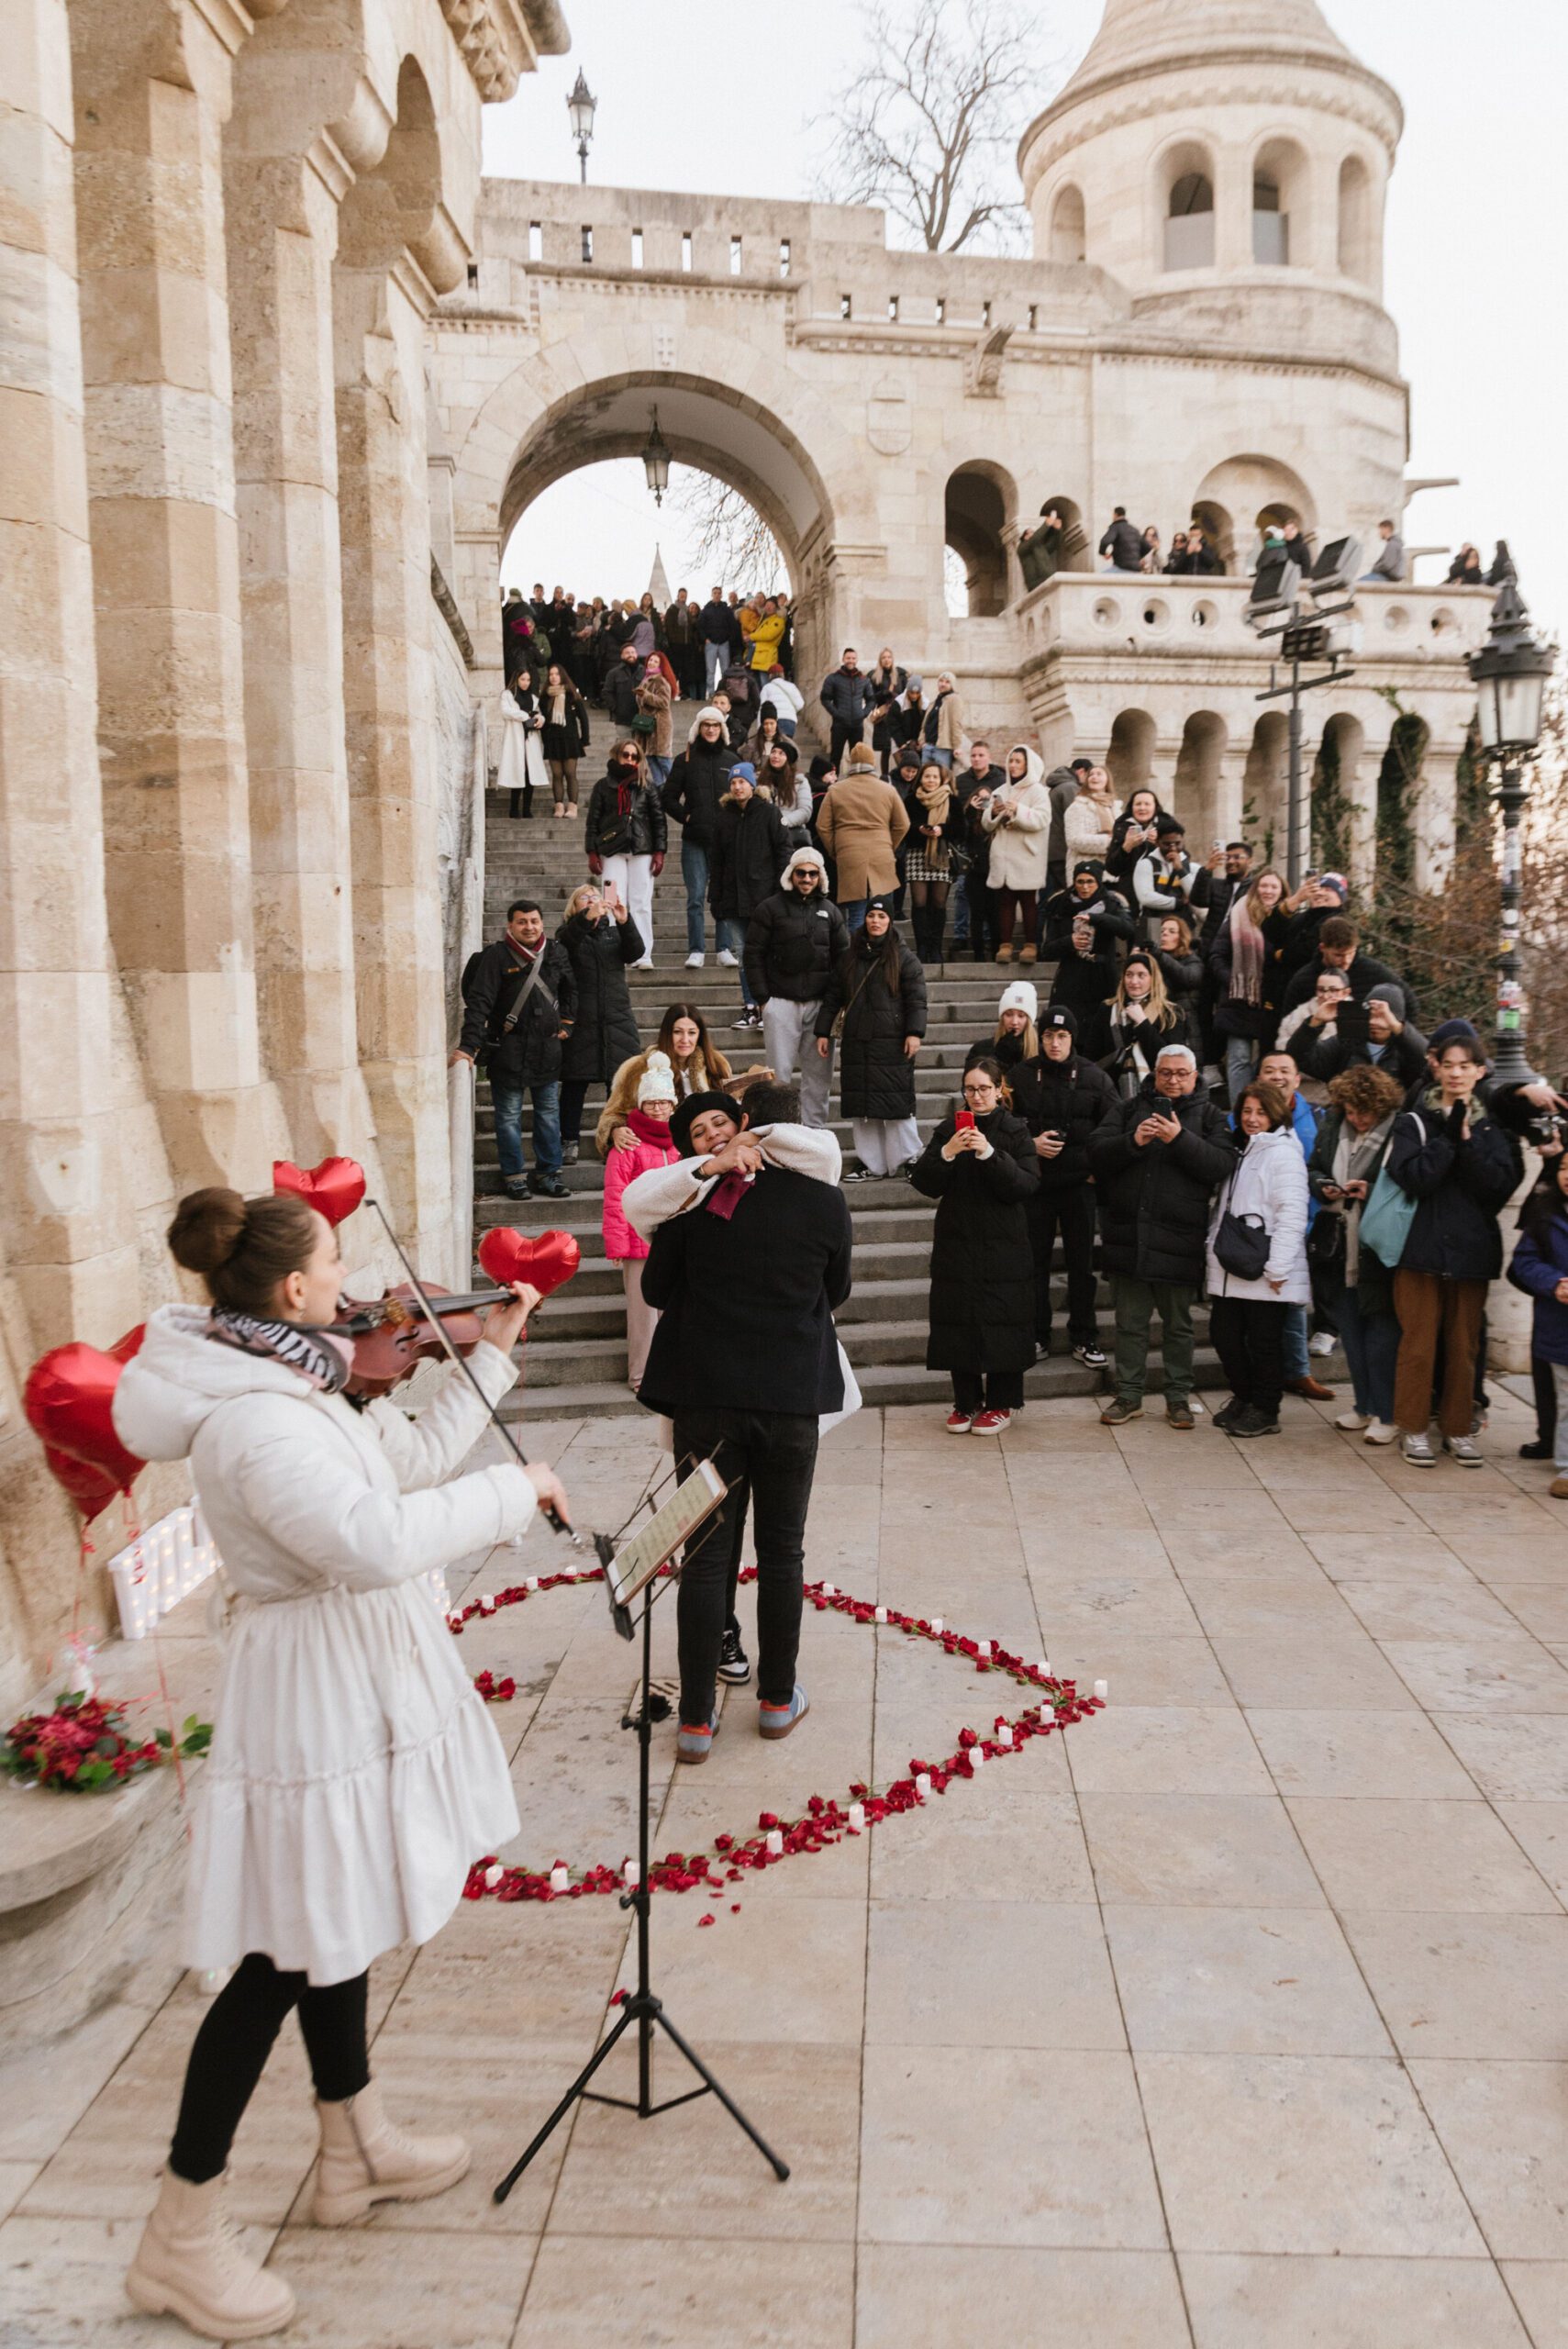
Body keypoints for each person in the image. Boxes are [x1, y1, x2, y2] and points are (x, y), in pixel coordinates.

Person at [116, 1188, 563, 2342]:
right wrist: (515, 1490)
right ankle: (179, 2232)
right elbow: (371, 1542)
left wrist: (492, 1363)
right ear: (294, 1289)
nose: (354, 1274)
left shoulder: (301, 1373)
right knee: (279, 1943)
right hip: (308, 1684)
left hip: (350, 1666)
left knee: (340, 1907)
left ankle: (351, 2143)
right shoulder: (258, 1419)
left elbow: (404, 1467)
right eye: (334, 1259)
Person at [639, 1082, 854, 1760]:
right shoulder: (823, 1200)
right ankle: (774, 1700)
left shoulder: (691, 1206)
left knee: (704, 1560)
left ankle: (697, 1720)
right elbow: (837, 1289)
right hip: (789, 1397)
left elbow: (653, 1291)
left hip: (707, 1400)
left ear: (744, 1127)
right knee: (782, 1552)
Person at [1386, 1031, 1522, 1466]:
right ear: (1436, 1068)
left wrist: (1468, 1139)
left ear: (1480, 1072)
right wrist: (1447, 1135)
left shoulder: (1493, 1126)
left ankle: (1459, 1429)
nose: (1458, 1073)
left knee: (1463, 1348)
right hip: (1419, 1251)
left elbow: (1497, 1186)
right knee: (1418, 1345)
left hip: (1471, 1252)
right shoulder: (1414, 1122)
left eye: (1467, 1066)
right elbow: (1415, 1178)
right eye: (1450, 1065)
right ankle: (1412, 1428)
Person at [1090, 1042, 1237, 1429]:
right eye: (1165, 1073)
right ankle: (1129, 1395)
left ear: (1194, 1076)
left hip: (1180, 1239)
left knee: (1179, 1326)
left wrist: (1179, 1138)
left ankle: (1178, 1398)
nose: (1172, 1080)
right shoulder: (1126, 1109)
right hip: (1129, 1235)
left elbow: (1221, 1164)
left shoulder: (1210, 1116)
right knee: (1130, 1324)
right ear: (1153, 1074)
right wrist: (1133, 1142)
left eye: (1181, 1074)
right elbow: (1096, 1153)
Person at [910, 1056, 1040, 1433]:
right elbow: (924, 1182)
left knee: (1004, 1317)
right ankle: (965, 1401)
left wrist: (988, 1153)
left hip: (1004, 1242)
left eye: (984, 1088)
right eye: (970, 1089)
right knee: (958, 1317)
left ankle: (1002, 1402)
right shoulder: (948, 1128)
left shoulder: (1015, 1130)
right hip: (957, 1240)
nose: (977, 1096)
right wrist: (948, 1152)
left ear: (1000, 1090)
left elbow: (1026, 1185)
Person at [1012, 1003, 1117, 1365]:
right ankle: (1037, 1334)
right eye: (1048, 1036)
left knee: (1081, 1265)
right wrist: (1030, 1143)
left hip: (1078, 1186)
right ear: (1039, 1038)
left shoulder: (1094, 1077)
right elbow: (1002, 1124)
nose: (1054, 1043)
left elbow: (1114, 1128)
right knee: (1034, 1265)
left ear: (1072, 1037)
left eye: (1062, 1036)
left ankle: (1084, 1335)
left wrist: (1095, 1172)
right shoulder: (1021, 1076)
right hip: (1037, 1186)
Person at [1205, 1081, 1310, 1438]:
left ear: (1275, 1114)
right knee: (1224, 1335)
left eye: (1260, 1112)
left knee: (1264, 1344)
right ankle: (1246, 1396)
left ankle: (1266, 1408)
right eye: (1246, 1111)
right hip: (1232, 1263)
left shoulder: (1283, 1153)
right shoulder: (1244, 1149)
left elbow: (1292, 1213)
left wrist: (1278, 1267)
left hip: (1264, 1266)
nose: (1252, 1118)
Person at [1308, 1063, 1406, 1443]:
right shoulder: (1333, 1125)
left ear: (1380, 1108)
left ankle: (1389, 1412)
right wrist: (1326, 1187)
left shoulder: (1399, 1130)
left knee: (1382, 1337)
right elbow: (1314, 1167)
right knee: (1351, 1330)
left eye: (1363, 1113)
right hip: (1337, 1244)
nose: (1357, 1120)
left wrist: (1372, 1190)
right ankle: (1364, 1406)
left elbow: (1408, 1180)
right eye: (1350, 1111)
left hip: (1377, 1246)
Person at [454, 899, 573, 1200]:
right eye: (522, 922)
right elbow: (478, 1001)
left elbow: (571, 988)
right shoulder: (495, 956)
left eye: (534, 921)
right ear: (510, 925)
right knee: (508, 1117)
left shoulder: (556, 952)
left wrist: (568, 1023)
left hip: (548, 1048)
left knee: (548, 1113)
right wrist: (469, 1045)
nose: (529, 927)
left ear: (542, 923)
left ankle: (549, 1173)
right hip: (508, 1048)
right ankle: (514, 1176)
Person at [815, 894, 926, 1178]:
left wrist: (915, 1032)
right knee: (862, 1106)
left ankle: (910, 1157)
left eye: (882, 916)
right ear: (865, 918)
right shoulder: (850, 955)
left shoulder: (904, 957)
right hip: (857, 1040)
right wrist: (823, 1031)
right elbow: (833, 996)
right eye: (871, 916)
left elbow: (916, 999)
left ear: (890, 920)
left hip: (892, 1039)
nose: (876, 921)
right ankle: (870, 1162)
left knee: (896, 1101)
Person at [743, 845, 847, 1126]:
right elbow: (753, 954)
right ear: (792, 873)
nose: (806, 878)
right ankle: (781, 1130)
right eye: (801, 872)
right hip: (780, 1002)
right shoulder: (769, 909)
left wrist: (834, 1004)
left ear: (820, 876)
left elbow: (844, 961)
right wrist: (764, 999)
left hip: (820, 1007)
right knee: (779, 1075)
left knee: (819, 1076)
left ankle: (814, 1131)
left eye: (813, 873)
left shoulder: (830, 912)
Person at [1254, 1048, 1337, 1403]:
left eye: (1284, 1070)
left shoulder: (1316, 1117)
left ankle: (1299, 1372)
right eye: (1269, 1070)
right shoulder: (1244, 1116)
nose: (1277, 1076)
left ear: (1297, 1078)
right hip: (1256, 1225)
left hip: (1303, 1224)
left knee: (1293, 1301)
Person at [603, 1052, 680, 1390]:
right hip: (637, 1243)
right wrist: (617, 1243)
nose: (658, 1109)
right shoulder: (627, 1144)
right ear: (641, 1104)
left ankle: (672, 1371)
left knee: (674, 1311)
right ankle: (641, 1376)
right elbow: (615, 1196)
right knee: (643, 1315)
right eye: (652, 1103)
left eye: (664, 1102)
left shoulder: (682, 1143)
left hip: (675, 1240)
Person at [554, 880, 644, 1164]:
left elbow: (636, 952)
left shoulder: (614, 935)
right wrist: (586, 920)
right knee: (573, 1085)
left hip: (616, 1018)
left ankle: (614, 1140)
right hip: (582, 1020)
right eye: (585, 898)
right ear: (575, 907)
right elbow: (565, 946)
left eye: (596, 895)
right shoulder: (567, 934)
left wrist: (625, 921)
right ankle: (568, 1141)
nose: (593, 899)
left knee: (619, 1086)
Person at [596, 1002, 747, 1157]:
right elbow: (612, 1114)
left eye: (692, 1032)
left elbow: (729, 1111)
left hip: (708, 1150)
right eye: (677, 1032)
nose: (685, 1039)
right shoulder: (637, 1068)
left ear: (700, 1035)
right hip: (657, 1152)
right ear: (667, 1033)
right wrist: (615, 1130)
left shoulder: (716, 1064)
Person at [1507, 1146, 1568, 1499]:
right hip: (1560, 1325)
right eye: (1563, 1167)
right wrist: (1554, 1282)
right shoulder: (1545, 1216)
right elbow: (1524, 1262)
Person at [1209, 865, 1298, 1102]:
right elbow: (1217, 955)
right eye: (1264, 885)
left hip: (1273, 997)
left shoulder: (1291, 918)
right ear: (1256, 888)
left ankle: (1266, 1110)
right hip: (1239, 998)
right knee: (1239, 1058)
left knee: (1269, 1061)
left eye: (1274, 886)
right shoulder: (1239, 914)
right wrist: (1234, 981)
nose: (1268, 890)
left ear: (1282, 891)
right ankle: (1240, 1111)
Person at [710, 763, 787, 1031]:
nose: (737, 786)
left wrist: (781, 891)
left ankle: (770, 1008)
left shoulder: (768, 813)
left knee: (765, 954)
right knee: (744, 955)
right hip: (733, 901)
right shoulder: (724, 818)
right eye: (733, 783)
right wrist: (716, 899)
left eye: (741, 782)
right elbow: (716, 862)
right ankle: (751, 1007)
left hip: (764, 898)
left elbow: (783, 851)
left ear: (752, 785)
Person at [662, 703, 737, 967]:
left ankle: (724, 948)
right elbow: (668, 797)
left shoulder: (732, 761)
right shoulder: (685, 759)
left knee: (724, 896)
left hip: (726, 842)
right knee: (695, 897)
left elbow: (743, 797)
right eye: (706, 725)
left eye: (715, 725)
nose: (711, 730)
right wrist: (686, 816)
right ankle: (697, 949)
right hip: (694, 839)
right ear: (699, 728)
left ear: (722, 729)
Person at [585, 738, 666, 963]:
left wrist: (659, 852)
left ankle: (643, 953)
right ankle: (614, 951)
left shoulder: (647, 786)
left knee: (641, 902)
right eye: (626, 755)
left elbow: (658, 820)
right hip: (611, 851)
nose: (629, 760)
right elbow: (593, 820)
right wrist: (592, 851)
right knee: (611, 900)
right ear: (617, 756)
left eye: (634, 756)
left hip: (642, 850)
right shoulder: (603, 786)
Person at [816, 741, 910, 932]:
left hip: (849, 856)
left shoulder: (836, 790)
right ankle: (883, 957)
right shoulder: (887, 790)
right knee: (883, 912)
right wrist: (889, 845)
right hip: (882, 855)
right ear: (872, 762)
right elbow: (903, 824)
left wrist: (836, 849)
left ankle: (858, 958)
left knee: (857, 915)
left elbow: (822, 826)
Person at [1084, 950, 1194, 1093]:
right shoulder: (1107, 1009)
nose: (1133, 981)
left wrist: (1142, 1023)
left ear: (1153, 978)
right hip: (1111, 1089)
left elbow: (1170, 1060)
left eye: (1141, 975)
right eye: (1129, 975)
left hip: (1156, 1090)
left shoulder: (1171, 1013)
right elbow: (1092, 1054)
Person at [983, 743, 1051, 963]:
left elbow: (1042, 819)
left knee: (1029, 901)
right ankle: (1005, 945)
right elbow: (986, 824)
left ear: (1027, 764)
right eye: (1011, 761)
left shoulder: (1039, 791)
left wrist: (1018, 811)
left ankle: (1030, 945)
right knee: (1005, 901)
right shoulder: (999, 791)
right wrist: (993, 812)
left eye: (1018, 761)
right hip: (1003, 855)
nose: (1013, 765)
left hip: (1027, 855)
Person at [905, 756, 954, 963]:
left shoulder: (951, 799)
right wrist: (920, 830)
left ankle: (936, 947)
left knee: (939, 903)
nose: (931, 780)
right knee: (920, 902)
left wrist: (942, 830)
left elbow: (961, 828)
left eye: (935, 776)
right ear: (920, 778)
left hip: (941, 855)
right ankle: (922, 947)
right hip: (917, 853)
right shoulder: (911, 799)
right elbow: (904, 827)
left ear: (942, 779)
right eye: (927, 776)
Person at [953, 742, 999, 961]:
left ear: (988, 757)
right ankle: (962, 936)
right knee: (964, 895)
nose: (977, 759)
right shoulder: (961, 781)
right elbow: (958, 818)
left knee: (993, 907)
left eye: (981, 755)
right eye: (973, 755)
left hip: (994, 849)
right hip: (970, 849)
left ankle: (993, 943)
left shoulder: (999, 780)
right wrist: (971, 809)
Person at [1131, 816, 1207, 939]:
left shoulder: (1192, 867)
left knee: (1183, 955)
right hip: (1153, 923)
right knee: (1152, 955)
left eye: (1177, 843)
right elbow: (1146, 897)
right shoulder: (1146, 865)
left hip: (1182, 923)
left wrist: (1180, 870)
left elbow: (1195, 897)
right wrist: (1178, 902)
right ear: (1157, 842)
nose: (1173, 848)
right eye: (1167, 844)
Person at [538, 661, 591, 817]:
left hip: (570, 738)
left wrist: (585, 739)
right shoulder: (545, 697)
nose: (554, 677)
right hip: (552, 739)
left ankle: (572, 806)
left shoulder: (571, 694)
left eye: (556, 674)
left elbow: (583, 718)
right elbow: (543, 720)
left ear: (562, 676)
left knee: (570, 773)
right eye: (551, 675)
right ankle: (559, 806)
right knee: (557, 775)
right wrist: (544, 739)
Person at [967, 978, 1040, 1078]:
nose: (1014, 1022)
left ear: (1029, 1020)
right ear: (1002, 1017)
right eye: (1009, 1014)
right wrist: (998, 1060)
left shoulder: (1040, 1053)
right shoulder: (981, 1050)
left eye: (1021, 1016)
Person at [1105, 788, 1169, 897]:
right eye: (1138, 804)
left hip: (1161, 886)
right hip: (1130, 890)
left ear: (1155, 807)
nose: (1142, 808)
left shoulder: (1167, 826)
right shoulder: (1121, 827)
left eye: (1147, 804)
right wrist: (1126, 847)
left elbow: (1182, 858)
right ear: (1131, 807)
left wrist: (1161, 844)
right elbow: (1112, 869)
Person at [1042, 754, 1091, 899]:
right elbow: (1076, 820)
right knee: (1068, 895)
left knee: (1055, 895)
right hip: (1062, 851)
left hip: (1053, 851)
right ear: (1081, 771)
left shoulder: (1059, 786)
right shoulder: (1070, 788)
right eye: (1089, 775)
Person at [497, 676, 547, 818]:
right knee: (517, 771)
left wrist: (539, 719)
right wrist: (525, 716)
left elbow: (539, 713)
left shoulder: (533, 697)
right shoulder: (508, 695)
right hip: (515, 738)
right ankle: (513, 809)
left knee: (530, 774)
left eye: (528, 680)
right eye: (523, 679)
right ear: (517, 680)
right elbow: (506, 711)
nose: (526, 682)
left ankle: (527, 809)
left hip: (531, 738)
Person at [820, 647, 876, 770]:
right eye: (848, 658)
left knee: (857, 757)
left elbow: (871, 700)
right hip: (839, 724)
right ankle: (832, 783)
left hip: (857, 725)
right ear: (843, 659)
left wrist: (863, 714)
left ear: (856, 660)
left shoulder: (864, 679)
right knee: (835, 756)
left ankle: (855, 783)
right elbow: (825, 698)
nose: (850, 661)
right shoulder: (833, 678)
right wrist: (836, 713)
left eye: (853, 658)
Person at [1062, 760, 1117, 868]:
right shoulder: (1078, 806)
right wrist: (1111, 842)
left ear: (1107, 780)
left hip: (1111, 868)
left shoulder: (1115, 807)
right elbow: (1074, 840)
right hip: (1085, 868)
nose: (1094, 777)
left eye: (1099, 774)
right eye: (1091, 774)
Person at [635, 651, 677, 789]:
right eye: (650, 660)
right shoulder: (646, 679)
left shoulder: (661, 681)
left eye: (655, 661)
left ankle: (675, 787)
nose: (651, 663)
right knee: (651, 758)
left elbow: (664, 702)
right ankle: (660, 788)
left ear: (661, 665)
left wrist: (645, 695)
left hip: (660, 725)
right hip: (647, 725)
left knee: (662, 758)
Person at [1152, 913, 1203, 1019]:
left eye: (1172, 931)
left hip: (1184, 1022)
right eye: (1161, 931)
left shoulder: (1191, 959)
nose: (1164, 934)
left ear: (1182, 937)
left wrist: (1160, 956)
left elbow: (1189, 978)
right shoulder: (1151, 959)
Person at [868, 648, 909, 775]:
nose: (887, 660)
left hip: (898, 715)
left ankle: (904, 774)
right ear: (880, 660)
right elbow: (872, 697)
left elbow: (907, 694)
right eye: (884, 657)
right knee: (885, 750)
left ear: (892, 659)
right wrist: (885, 692)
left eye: (889, 657)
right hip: (884, 716)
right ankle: (884, 777)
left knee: (900, 747)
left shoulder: (900, 675)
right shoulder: (875, 676)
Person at [921, 671, 965, 772]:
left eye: (947, 682)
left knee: (943, 777)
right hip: (928, 747)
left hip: (942, 748)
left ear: (952, 684)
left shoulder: (955, 699)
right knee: (925, 777)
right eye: (941, 681)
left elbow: (956, 723)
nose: (943, 684)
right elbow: (925, 723)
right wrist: (922, 741)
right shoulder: (935, 701)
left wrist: (957, 746)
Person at [698, 585, 738, 697]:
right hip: (710, 644)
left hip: (724, 643)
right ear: (712, 594)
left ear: (721, 595)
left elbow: (733, 625)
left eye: (718, 593)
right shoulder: (706, 609)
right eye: (714, 593)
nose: (716, 595)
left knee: (725, 670)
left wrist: (729, 639)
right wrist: (705, 639)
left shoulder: (726, 610)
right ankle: (711, 693)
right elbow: (700, 626)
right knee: (710, 670)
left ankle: (725, 692)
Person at [760, 663, 803, 735]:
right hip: (790, 720)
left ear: (770, 675)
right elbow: (800, 704)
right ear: (782, 674)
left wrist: (760, 726)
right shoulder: (791, 686)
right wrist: (791, 710)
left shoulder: (767, 687)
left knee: (775, 744)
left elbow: (762, 707)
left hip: (773, 721)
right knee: (786, 744)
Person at [1098, 507, 1144, 573]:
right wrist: (1136, 559)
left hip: (1122, 568)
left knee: (1100, 580)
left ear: (1115, 515)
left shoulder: (1116, 527)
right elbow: (1147, 547)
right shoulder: (1135, 530)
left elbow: (1105, 541)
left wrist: (1103, 553)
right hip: (1136, 570)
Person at [1361, 518, 1407, 584]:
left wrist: (1375, 568)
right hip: (1387, 577)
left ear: (1386, 529)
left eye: (1380, 530)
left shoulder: (1392, 544)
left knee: (1358, 584)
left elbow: (1387, 565)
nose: (1379, 533)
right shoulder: (1395, 544)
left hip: (1385, 577)